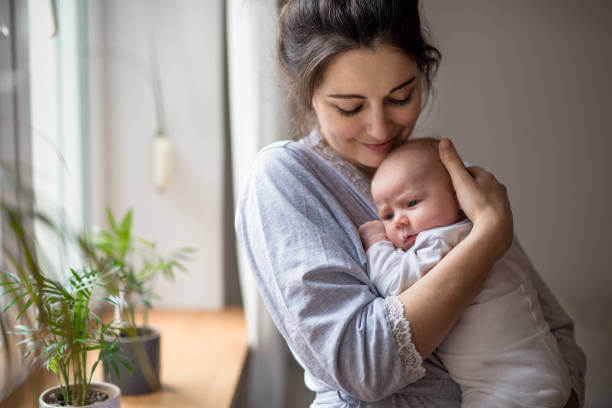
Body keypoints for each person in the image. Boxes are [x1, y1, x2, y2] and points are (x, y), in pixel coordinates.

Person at [235, 1, 586, 406]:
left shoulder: (440, 168)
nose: (381, 128)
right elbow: (361, 366)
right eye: (350, 107)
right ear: (305, 91)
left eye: (400, 97)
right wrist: (488, 236)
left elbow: (551, 324)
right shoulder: (283, 178)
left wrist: (561, 393)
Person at [359, 138, 572, 407]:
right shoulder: (473, 232)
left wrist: (377, 243)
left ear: (458, 196)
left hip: (512, 384)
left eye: (412, 203)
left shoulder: (446, 238)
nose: (399, 220)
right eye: (387, 215)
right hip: (523, 376)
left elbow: (394, 283)